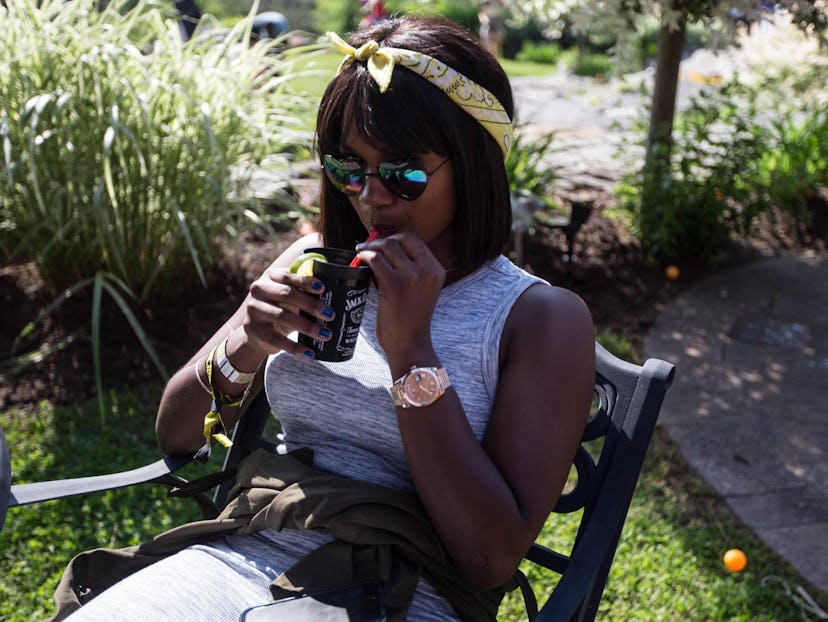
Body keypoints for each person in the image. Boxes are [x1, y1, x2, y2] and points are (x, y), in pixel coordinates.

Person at [54, 15, 594, 622]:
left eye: (403, 173)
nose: (370, 194)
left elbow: (488, 555)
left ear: (471, 162)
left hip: (400, 590)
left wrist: (411, 351)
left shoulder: (539, 319)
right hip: (251, 549)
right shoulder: (314, 263)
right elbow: (175, 435)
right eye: (347, 167)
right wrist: (244, 346)